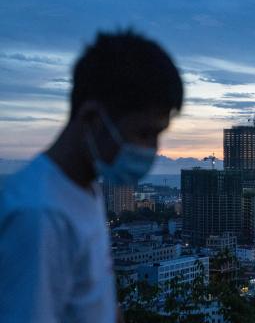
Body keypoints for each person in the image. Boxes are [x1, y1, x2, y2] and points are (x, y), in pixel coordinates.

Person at [0, 30, 184, 322]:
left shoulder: (85, 188)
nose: (152, 150)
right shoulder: (39, 216)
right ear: (93, 120)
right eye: (144, 133)